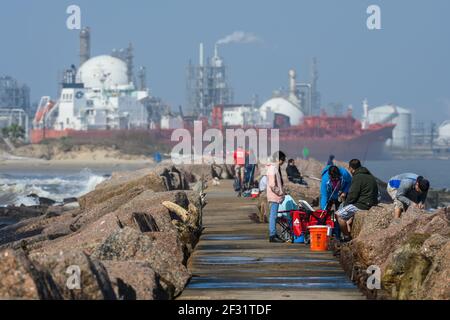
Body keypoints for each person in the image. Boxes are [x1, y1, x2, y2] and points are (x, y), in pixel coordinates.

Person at [335, 159, 379, 242]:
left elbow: (353, 195)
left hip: (363, 204)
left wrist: (345, 204)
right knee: (348, 219)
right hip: (371, 202)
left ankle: (347, 237)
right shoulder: (370, 176)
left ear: (351, 168)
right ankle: (349, 233)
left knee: (339, 215)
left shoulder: (357, 177)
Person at [267, 151, 286, 243]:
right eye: (283, 160)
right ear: (278, 160)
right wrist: (280, 192)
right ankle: (272, 235)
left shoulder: (275, 168)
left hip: (275, 196)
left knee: (273, 216)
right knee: (273, 216)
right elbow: (272, 185)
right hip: (274, 196)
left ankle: (273, 234)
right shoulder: (272, 169)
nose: (283, 162)